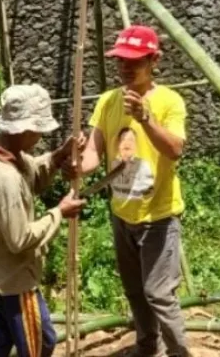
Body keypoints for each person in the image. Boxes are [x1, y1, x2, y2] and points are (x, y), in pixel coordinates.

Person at [71, 24, 190, 357]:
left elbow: (175, 149)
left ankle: (180, 353)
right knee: (135, 292)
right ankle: (147, 347)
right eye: (120, 60)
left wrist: (146, 118)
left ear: (155, 60)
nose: (125, 67)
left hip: (159, 217)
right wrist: (77, 164)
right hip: (122, 214)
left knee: (160, 294)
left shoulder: (169, 101)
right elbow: (95, 152)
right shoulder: (108, 101)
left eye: (134, 61)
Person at [0, 84, 86, 357]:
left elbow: (31, 174)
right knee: (41, 342)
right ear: (23, 130)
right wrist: (59, 212)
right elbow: (20, 239)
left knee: (0, 337)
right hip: (14, 281)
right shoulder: (6, 179)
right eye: (37, 130)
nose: (39, 136)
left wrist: (58, 155)